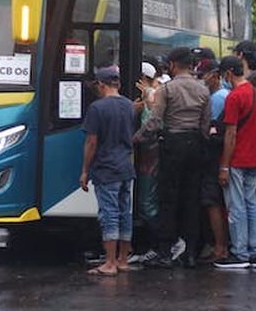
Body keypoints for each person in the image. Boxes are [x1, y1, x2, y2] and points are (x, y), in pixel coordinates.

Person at [135, 47, 211, 268]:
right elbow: (205, 124)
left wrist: (136, 138)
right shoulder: (202, 90)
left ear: (174, 65)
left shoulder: (168, 89)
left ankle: (166, 251)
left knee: (168, 198)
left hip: (172, 145)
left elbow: (155, 121)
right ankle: (190, 254)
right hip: (195, 144)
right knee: (191, 199)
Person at [214, 55, 256, 269]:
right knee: (251, 203)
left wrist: (224, 166)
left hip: (237, 159)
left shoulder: (235, 97)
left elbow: (230, 135)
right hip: (254, 158)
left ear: (228, 73)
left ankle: (239, 252)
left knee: (236, 206)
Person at [79, 66, 136, 276]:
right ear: (118, 84)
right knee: (125, 213)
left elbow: (91, 142)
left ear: (101, 85)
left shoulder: (97, 108)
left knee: (109, 214)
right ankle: (122, 260)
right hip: (126, 167)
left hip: (106, 168)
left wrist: (85, 170)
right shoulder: (129, 106)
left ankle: (109, 263)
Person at [197, 59, 231, 262]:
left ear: (215, 75)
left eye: (203, 76)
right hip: (221, 157)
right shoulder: (222, 94)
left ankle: (220, 247)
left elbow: (212, 129)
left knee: (213, 203)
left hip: (214, 158)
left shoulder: (218, 98)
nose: (201, 80)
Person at [129, 62, 161, 264]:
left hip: (151, 159)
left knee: (147, 204)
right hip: (145, 159)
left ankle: (161, 244)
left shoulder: (154, 97)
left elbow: (150, 127)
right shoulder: (146, 98)